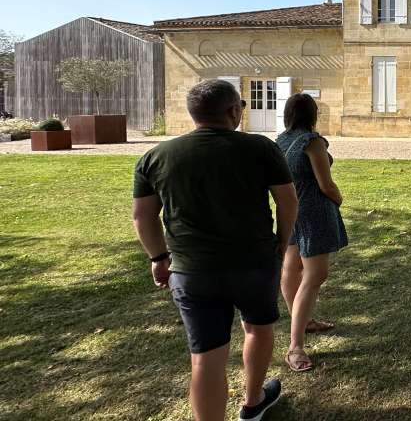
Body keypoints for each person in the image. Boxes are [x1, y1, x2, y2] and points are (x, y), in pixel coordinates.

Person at [131, 79, 297, 421]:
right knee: (258, 328)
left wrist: (158, 257)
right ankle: (253, 401)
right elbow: (287, 200)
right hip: (253, 262)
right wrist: (283, 240)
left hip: (192, 271)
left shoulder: (156, 156)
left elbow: (143, 215)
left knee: (206, 354)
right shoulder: (260, 148)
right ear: (233, 110)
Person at [276, 93, 347, 373]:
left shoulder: (280, 141)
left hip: (289, 209)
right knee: (315, 274)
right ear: (313, 114)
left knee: (291, 269)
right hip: (313, 210)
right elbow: (326, 184)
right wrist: (338, 198)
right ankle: (295, 346)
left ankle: (302, 320)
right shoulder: (312, 142)